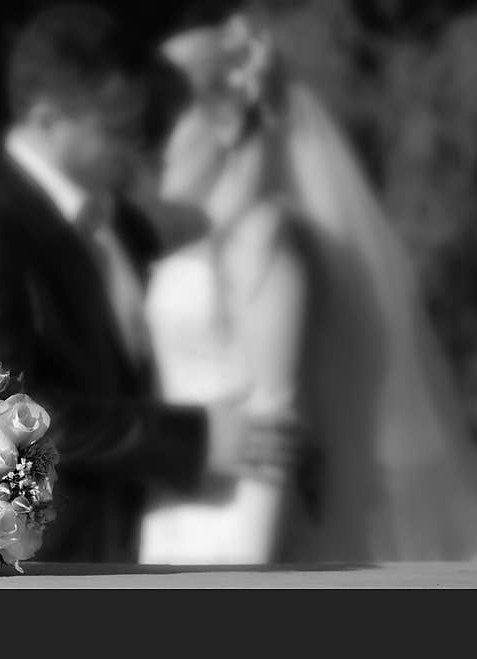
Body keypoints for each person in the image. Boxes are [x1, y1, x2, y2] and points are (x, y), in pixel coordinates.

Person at [0, 6, 294, 563]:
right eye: (116, 126)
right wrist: (195, 441)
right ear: (46, 119)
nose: (136, 144)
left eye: (141, 125)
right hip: (44, 561)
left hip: (156, 543)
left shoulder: (125, 227)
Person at [140, 15, 477, 564]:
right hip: (175, 522)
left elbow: (276, 426)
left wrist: (238, 577)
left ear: (225, 120)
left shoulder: (266, 241)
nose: (153, 145)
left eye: (166, 120)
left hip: (232, 541)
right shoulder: (201, 250)